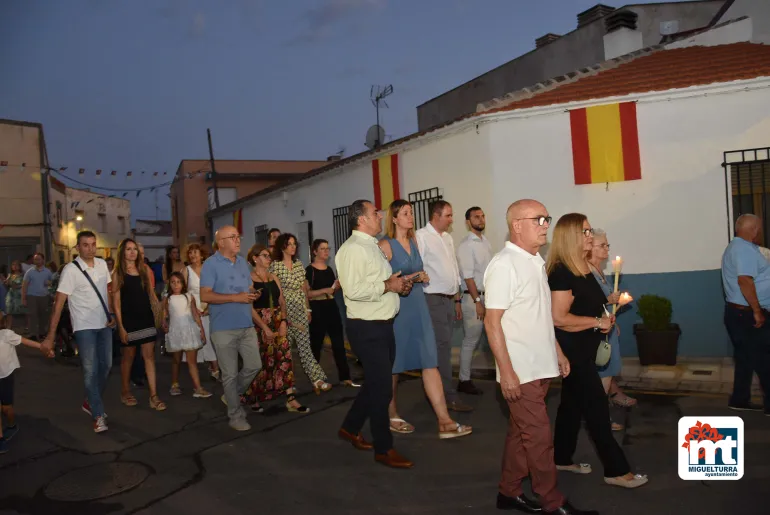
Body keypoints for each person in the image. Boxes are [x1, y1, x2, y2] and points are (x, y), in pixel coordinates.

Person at [484, 200, 597, 515]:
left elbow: (539, 317)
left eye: (547, 218)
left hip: (540, 366)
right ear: (517, 224)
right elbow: (492, 323)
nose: (546, 224)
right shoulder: (504, 264)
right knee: (539, 438)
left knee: (522, 435)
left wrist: (556, 351)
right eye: (539, 219)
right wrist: (506, 372)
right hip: (520, 371)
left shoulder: (534, 261)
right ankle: (552, 502)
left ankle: (508, 493)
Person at [547, 213, 647, 488]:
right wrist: (596, 321)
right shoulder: (561, 271)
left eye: (590, 231)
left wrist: (604, 318)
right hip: (574, 351)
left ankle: (562, 457)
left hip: (586, 347)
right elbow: (558, 317)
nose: (591, 236)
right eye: (586, 232)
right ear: (570, 236)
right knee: (596, 411)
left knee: (570, 407)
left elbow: (591, 304)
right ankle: (615, 469)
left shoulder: (581, 267)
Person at [379, 199, 472, 439]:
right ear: (395, 218)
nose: (411, 217)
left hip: (419, 305)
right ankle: (391, 415)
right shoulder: (385, 246)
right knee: (394, 366)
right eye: (406, 213)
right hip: (398, 310)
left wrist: (419, 277)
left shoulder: (413, 242)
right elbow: (379, 282)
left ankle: (445, 421)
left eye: (411, 212)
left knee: (430, 361)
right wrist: (411, 277)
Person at [335, 199, 413, 468]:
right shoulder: (353, 249)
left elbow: (378, 282)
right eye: (375, 213)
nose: (381, 216)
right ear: (362, 219)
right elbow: (354, 290)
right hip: (367, 327)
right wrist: (387, 285)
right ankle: (384, 448)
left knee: (375, 385)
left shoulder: (371, 246)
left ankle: (350, 427)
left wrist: (397, 285)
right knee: (382, 390)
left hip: (383, 324)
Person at [43, 231, 117, 433]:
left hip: (104, 324)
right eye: (85, 245)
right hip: (84, 327)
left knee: (107, 366)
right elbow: (58, 304)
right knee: (90, 370)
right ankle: (98, 414)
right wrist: (50, 336)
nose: (90, 248)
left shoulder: (102, 264)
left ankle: (90, 401)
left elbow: (107, 291)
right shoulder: (70, 270)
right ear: (78, 247)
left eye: (93, 244)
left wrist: (111, 313)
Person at [200, 225, 262, 431]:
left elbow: (246, 288)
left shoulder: (243, 262)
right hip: (223, 329)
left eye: (238, 236)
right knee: (230, 374)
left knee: (254, 365)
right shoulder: (210, 264)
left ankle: (231, 395)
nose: (238, 240)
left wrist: (253, 292)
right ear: (221, 242)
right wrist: (236, 297)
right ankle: (235, 415)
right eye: (233, 237)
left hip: (246, 325)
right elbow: (205, 296)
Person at [415, 200, 472, 412]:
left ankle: (437, 392)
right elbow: (416, 267)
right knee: (442, 348)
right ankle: (448, 396)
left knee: (442, 348)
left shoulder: (447, 237)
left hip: (448, 299)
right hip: (432, 299)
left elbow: (454, 270)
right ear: (436, 216)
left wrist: (457, 299)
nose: (451, 219)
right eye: (448, 215)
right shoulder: (422, 237)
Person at [245, 244, 308, 414]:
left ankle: (290, 398)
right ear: (255, 258)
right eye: (265, 255)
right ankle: (255, 397)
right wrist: (264, 327)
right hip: (260, 323)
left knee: (285, 358)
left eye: (269, 256)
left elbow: (281, 301)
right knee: (261, 361)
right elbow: (249, 308)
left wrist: (283, 321)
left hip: (278, 320)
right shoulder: (249, 279)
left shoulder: (274, 277)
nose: (269, 258)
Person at [270, 234, 332, 394]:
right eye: (289, 244)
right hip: (284, 310)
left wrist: (308, 308)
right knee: (285, 350)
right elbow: (276, 292)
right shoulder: (275, 266)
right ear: (282, 246)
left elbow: (304, 288)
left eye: (294, 244)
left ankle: (317, 378)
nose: (293, 247)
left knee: (305, 347)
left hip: (300, 309)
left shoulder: (298, 264)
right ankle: (285, 383)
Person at [587, 228, 636, 431]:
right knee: (601, 379)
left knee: (605, 378)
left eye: (607, 245)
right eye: (602, 245)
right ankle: (599, 420)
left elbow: (604, 305)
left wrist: (615, 306)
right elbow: (591, 304)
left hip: (607, 330)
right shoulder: (588, 273)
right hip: (598, 333)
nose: (606, 248)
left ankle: (598, 416)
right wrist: (609, 301)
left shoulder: (599, 272)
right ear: (589, 248)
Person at [721, 213, 770, 413]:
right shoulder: (743, 249)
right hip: (747, 314)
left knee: (745, 358)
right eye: (758, 227)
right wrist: (757, 311)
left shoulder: (738, 247)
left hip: (739, 313)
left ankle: (739, 399)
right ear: (754, 229)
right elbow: (745, 281)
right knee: (764, 359)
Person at [111, 239, 166, 411]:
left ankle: (153, 396)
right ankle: (125, 391)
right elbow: (117, 303)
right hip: (129, 322)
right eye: (128, 249)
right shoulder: (118, 274)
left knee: (149, 357)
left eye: (135, 249)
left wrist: (161, 315)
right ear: (122, 252)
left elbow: (151, 295)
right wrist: (120, 326)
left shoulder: (144, 271)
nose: (132, 252)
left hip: (146, 319)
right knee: (128, 358)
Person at [0, 310, 55, 454]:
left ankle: (12, 425)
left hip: (6, 375)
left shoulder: (6, 335)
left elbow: (26, 342)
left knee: (7, 408)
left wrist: (43, 347)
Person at [305, 239, 356, 387]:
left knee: (338, 342)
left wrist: (336, 287)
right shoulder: (309, 270)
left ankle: (345, 377)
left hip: (331, 305)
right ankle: (314, 377)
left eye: (328, 248)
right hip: (317, 307)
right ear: (315, 251)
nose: (326, 251)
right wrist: (324, 290)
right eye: (323, 249)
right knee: (316, 344)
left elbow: (332, 290)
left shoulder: (329, 269)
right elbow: (307, 293)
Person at [456, 206, 493, 395]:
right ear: (468, 222)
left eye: (482, 215)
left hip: (488, 297)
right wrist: (478, 301)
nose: (481, 219)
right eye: (476, 217)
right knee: (471, 340)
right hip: (474, 298)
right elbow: (468, 277)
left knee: (495, 338)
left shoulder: (485, 242)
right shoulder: (466, 245)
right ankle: (464, 380)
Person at [164, 272, 212, 399]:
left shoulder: (189, 296)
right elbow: (164, 314)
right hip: (175, 331)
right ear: (169, 283)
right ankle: (174, 384)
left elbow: (195, 314)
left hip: (189, 330)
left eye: (178, 282)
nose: (175, 285)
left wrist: (201, 329)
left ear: (183, 283)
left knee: (192, 362)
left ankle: (198, 388)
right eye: (173, 282)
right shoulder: (167, 298)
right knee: (176, 360)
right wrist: (164, 323)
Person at [181, 243, 221, 382]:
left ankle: (215, 368)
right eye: (190, 253)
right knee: (195, 339)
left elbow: (216, 289)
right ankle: (195, 371)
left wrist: (208, 307)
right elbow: (183, 292)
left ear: (202, 255)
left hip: (209, 307)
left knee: (210, 339)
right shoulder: (185, 271)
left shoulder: (209, 269)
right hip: (192, 309)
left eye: (195, 252)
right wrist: (193, 309)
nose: (192, 255)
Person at [22, 253, 53, 340]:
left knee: (43, 315)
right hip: (32, 296)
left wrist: (49, 283)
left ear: (43, 260)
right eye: (35, 259)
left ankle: (42, 332)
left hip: (44, 296)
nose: (37, 261)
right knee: (33, 315)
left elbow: (53, 283)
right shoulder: (29, 272)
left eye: (39, 259)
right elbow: (24, 285)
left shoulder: (47, 272)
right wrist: (23, 298)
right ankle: (33, 334)